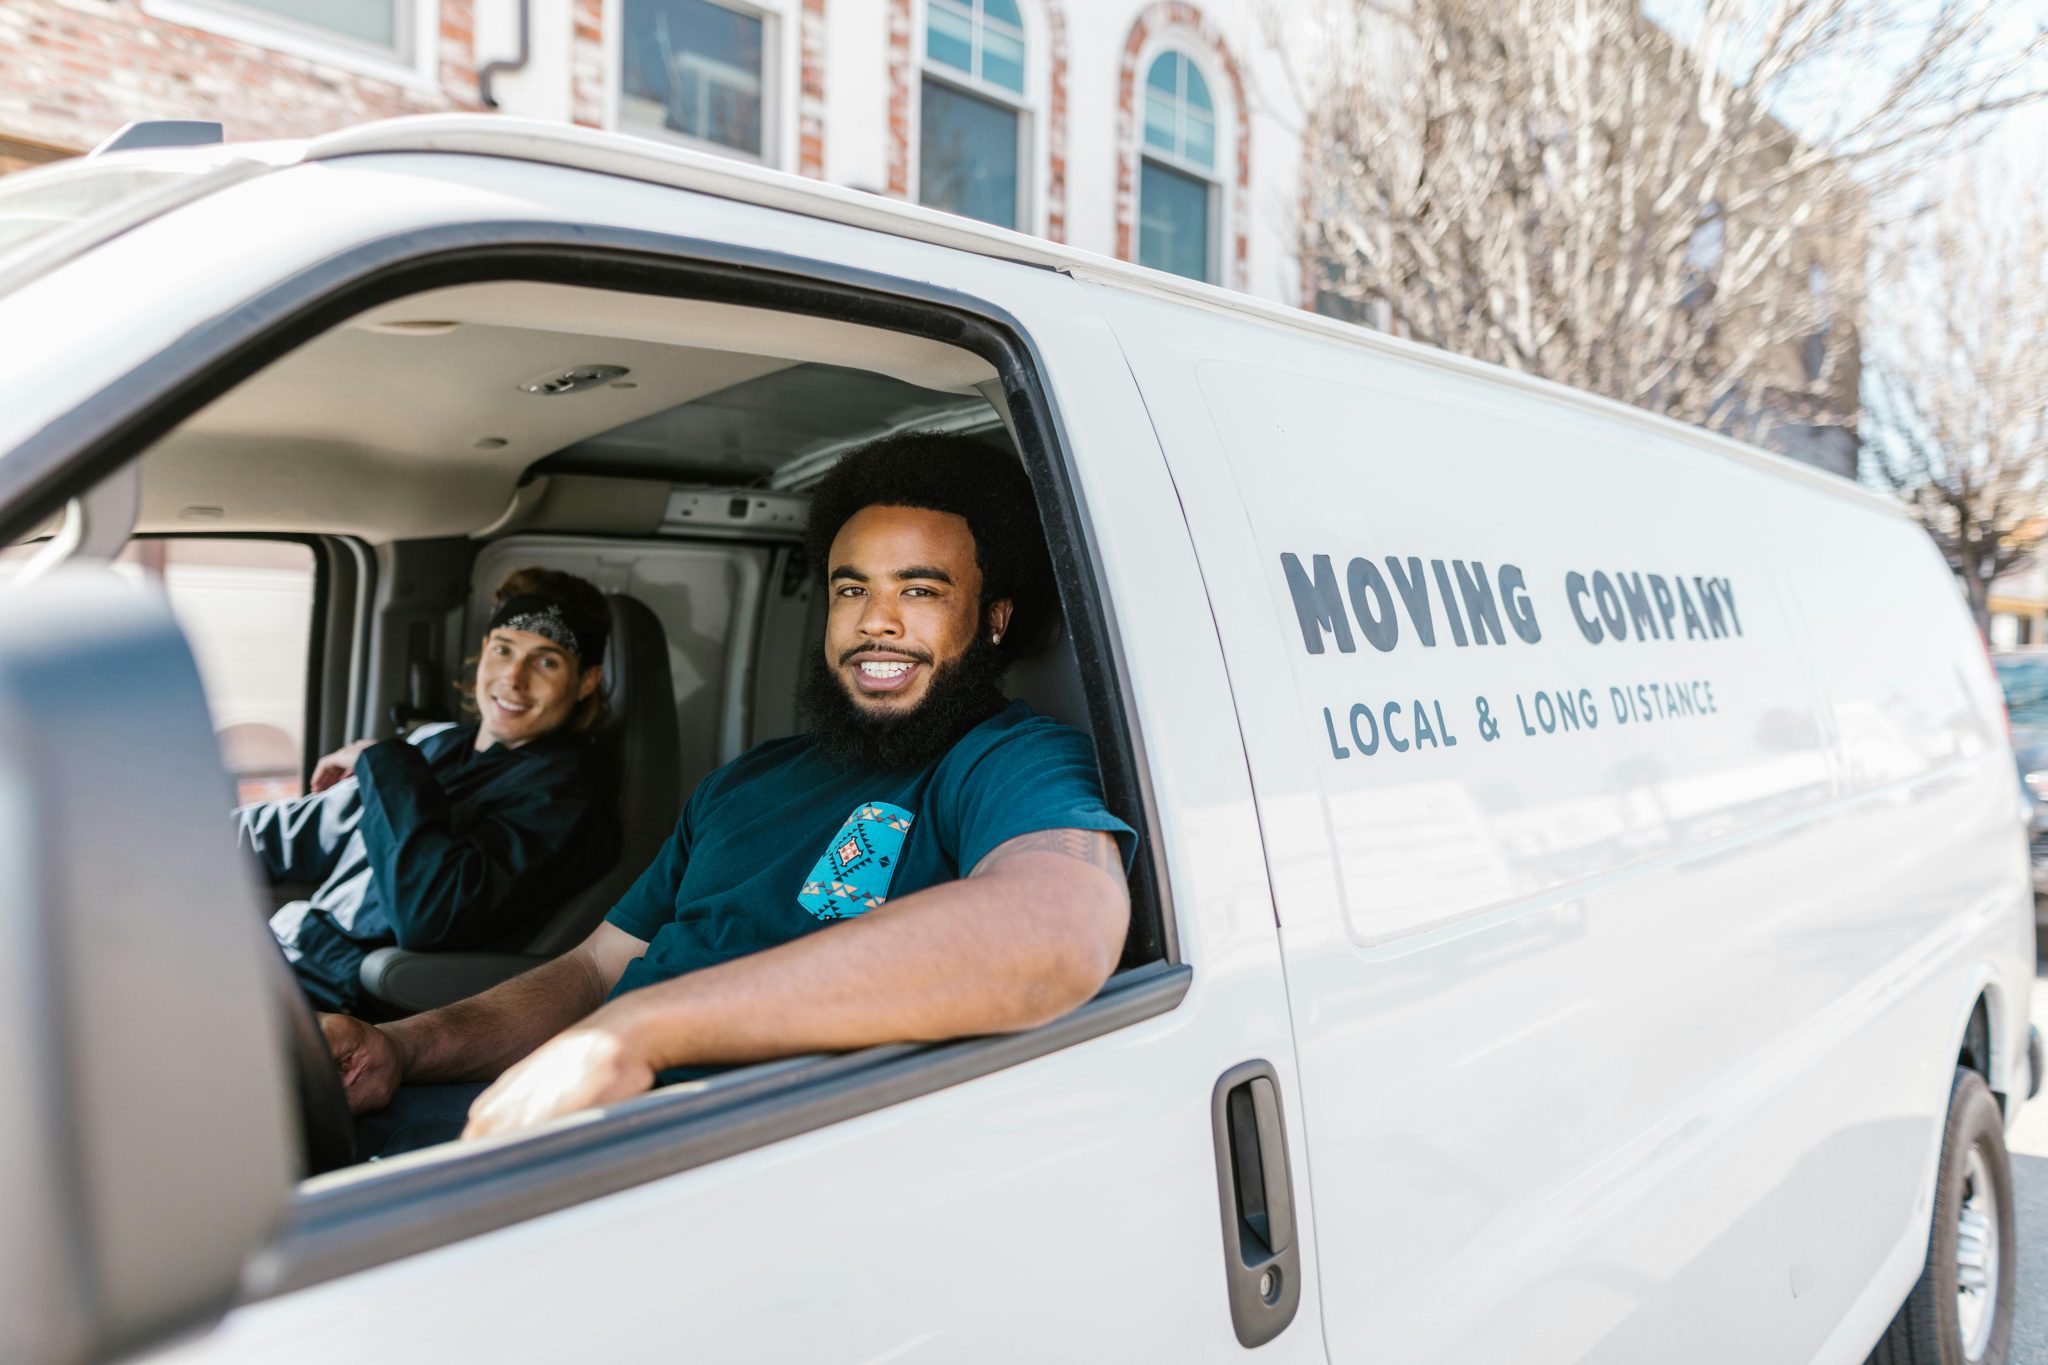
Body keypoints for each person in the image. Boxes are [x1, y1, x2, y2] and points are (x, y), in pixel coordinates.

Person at [323, 432, 1134, 1151]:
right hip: (556, 1110)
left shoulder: (1007, 759)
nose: (875, 621)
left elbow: (1061, 929)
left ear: (992, 619)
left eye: (919, 591)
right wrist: (402, 1047)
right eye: (852, 589)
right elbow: (595, 972)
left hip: (710, 1154)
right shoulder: (747, 778)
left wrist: (640, 1033)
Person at [241, 567, 622, 1014]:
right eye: (503, 650)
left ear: (587, 681)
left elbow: (430, 913)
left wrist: (383, 761)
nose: (514, 678)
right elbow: (291, 834)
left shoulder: (565, 801)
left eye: (547, 661)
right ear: (483, 653)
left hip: (343, 998)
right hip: (280, 953)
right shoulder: (438, 744)